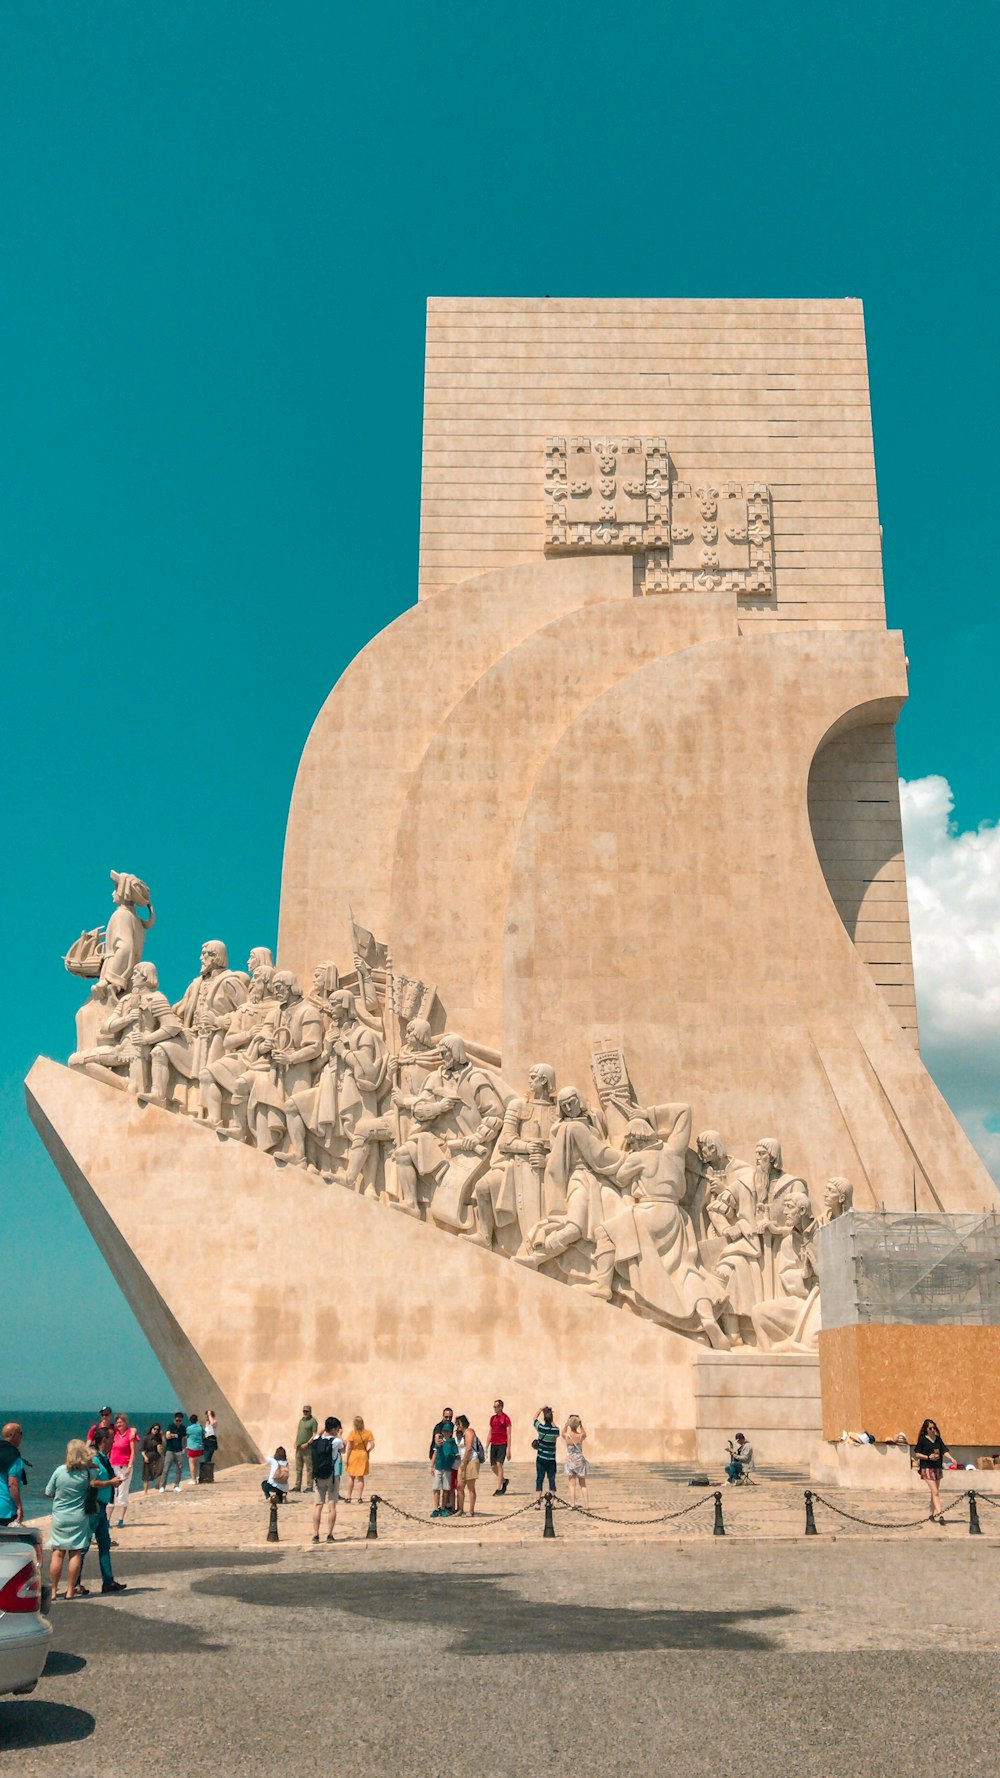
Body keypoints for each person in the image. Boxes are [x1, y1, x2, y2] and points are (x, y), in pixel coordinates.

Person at [46, 1440, 95, 1600]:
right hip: (79, 1516)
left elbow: (49, 1491)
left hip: (60, 1516)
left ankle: (53, 1590)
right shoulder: (87, 1473)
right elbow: (96, 1475)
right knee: (75, 1553)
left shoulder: (59, 1471)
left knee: (58, 1553)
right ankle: (69, 1590)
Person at [88, 1427, 127, 1594]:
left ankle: (108, 1581)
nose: (114, 1441)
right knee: (83, 1546)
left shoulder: (103, 1457)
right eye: (112, 1438)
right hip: (94, 1505)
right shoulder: (94, 1458)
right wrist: (111, 1483)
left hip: (102, 1505)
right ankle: (75, 1583)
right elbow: (92, 1482)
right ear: (104, 1440)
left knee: (104, 1543)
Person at [310, 1417, 346, 1543]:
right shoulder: (336, 1441)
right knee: (332, 1506)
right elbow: (344, 1449)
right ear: (335, 1429)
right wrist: (340, 1435)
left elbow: (317, 1434)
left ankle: (315, 1534)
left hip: (319, 1476)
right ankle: (329, 1535)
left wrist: (324, 1429)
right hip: (333, 1476)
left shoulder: (316, 1439)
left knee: (318, 1506)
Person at [913, 1418, 953, 1523]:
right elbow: (917, 1453)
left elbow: (943, 1450)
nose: (932, 1430)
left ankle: (931, 1514)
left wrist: (952, 1459)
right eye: (930, 1428)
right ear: (926, 1429)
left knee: (934, 1493)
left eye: (933, 1428)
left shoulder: (938, 1439)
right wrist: (928, 1457)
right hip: (927, 1468)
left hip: (937, 1467)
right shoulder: (922, 1439)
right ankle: (940, 1515)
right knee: (935, 1491)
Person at [110, 1412, 140, 1525]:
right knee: (112, 1492)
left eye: (121, 1422)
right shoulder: (115, 1433)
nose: (119, 1424)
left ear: (125, 1422)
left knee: (122, 1492)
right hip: (113, 1466)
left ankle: (121, 1519)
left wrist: (130, 1466)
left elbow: (133, 1452)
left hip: (124, 1466)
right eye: (117, 1422)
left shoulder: (130, 1434)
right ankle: (107, 1519)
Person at [454, 1416, 483, 1516]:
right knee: (459, 1486)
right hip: (463, 1461)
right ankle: (460, 1509)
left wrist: (464, 1461)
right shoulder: (462, 1434)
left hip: (470, 1461)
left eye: (458, 1423)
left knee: (471, 1487)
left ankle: (471, 1510)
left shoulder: (469, 1431)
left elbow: (469, 1447)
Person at [0, 1423, 27, 1526]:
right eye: (20, 1433)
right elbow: (12, 1483)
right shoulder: (13, 1456)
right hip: (5, 1509)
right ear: (13, 1435)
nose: (21, 1437)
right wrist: (19, 1507)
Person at [533, 1406, 559, 1507]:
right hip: (551, 1459)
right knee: (551, 1479)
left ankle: (538, 1503)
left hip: (541, 1458)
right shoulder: (555, 1431)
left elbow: (534, 1419)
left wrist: (540, 1410)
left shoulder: (541, 1429)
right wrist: (551, 1418)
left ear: (544, 1418)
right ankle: (551, 1502)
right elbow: (555, 1427)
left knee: (539, 1479)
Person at [431, 1422, 459, 1517]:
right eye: (444, 1431)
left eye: (448, 1431)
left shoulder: (452, 1442)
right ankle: (436, 1507)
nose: (446, 1432)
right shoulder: (439, 1441)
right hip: (439, 1467)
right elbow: (435, 1454)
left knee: (446, 1489)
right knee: (436, 1488)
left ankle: (443, 1508)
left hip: (447, 1468)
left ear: (451, 1432)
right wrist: (432, 1466)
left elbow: (457, 1455)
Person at [345, 1417, 374, 1503]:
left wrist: (347, 1458)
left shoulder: (352, 1433)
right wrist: (368, 1451)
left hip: (354, 1455)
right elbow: (372, 1445)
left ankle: (349, 1497)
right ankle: (359, 1497)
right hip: (363, 1455)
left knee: (351, 1477)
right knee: (360, 1478)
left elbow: (349, 1447)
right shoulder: (368, 1433)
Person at [562, 1415, 589, 1507]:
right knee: (583, 1484)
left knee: (572, 1485)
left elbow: (563, 1432)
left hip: (570, 1460)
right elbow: (585, 1434)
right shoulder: (581, 1436)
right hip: (579, 1460)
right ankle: (586, 1505)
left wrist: (566, 1424)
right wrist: (581, 1425)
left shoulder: (567, 1436)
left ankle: (572, 1504)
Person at [488, 1399, 512, 1495]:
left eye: (496, 1406)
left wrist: (508, 1449)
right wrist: (486, 1444)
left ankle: (499, 1488)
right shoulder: (492, 1418)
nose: (494, 1408)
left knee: (499, 1464)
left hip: (502, 1444)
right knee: (493, 1466)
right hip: (494, 1444)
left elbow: (509, 1434)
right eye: (494, 1406)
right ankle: (503, 1480)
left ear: (501, 1407)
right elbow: (490, 1432)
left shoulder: (506, 1418)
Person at [159, 1412, 187, 1491]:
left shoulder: (183, 1428)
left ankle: (176, 1485)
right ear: (174, 1419)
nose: (178, 1422)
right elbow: (167, 1436)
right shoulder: (170, 1426)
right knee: (166, 1468)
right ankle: (162, 1486)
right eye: (177, 1420)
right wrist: (175, 1435)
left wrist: (184, 1448)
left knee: (179, 1468)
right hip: (170, 1450)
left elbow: (184, 1438)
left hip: (179, 1451)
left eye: (180, 1421)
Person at [293, 1406, 318, 1492]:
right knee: (298, 1468)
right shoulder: (301, 1421)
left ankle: (309, 1486)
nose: (305, 1413)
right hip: (299, 1447)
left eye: (307, 1411)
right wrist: (296, 1441)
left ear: (310, 1412)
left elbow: (314, 1434)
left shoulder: (313, 1421)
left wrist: (307, 1443)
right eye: (304, 1411)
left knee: (309, 1468)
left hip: (308, 1448)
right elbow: (299, 1432)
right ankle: (297, 1485)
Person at [141, 1423, 164, 1493]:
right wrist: (145, 1457)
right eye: (154, 1429)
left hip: (157, 1456)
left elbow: (162, 1447)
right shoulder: (146, 1438)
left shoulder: (158, 1439)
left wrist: (162, 1436)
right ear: (151, 1429)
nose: (155, 1430)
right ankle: (145, 1491)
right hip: (148, 1456)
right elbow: (142, 1450)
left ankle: (157, 1485)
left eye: (157, 1429)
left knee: (160, 1471)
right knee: (146, 1475)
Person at [185, 1414, 205, 1484]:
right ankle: (195, 1478)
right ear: (197, 1420)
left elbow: (187, 1436)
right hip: (199, 1447)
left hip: (192, 1447)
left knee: (191, 1463)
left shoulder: (189, 1428)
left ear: (190, 1420)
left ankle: (193, 1479)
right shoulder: (200, 1427)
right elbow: (203, 1435)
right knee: (196, 1463)